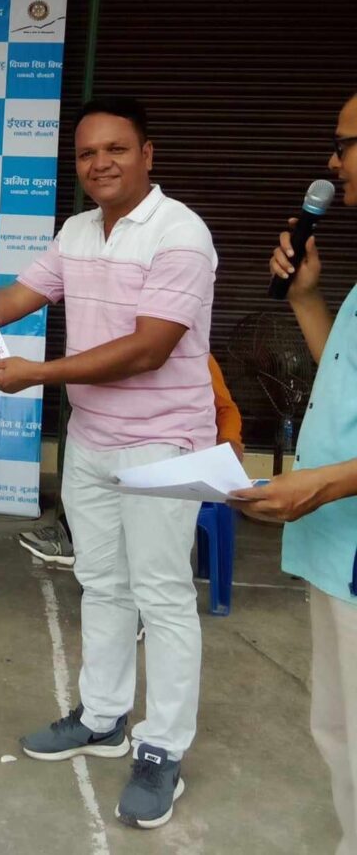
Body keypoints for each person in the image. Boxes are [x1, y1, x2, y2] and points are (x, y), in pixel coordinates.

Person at [0, 97, 217, 828]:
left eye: (116, 148)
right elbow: (15, 299)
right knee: (102, 584)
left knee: (162, 596)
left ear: (148, 153)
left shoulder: (180, 233)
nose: (100, 163)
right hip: (91, 439)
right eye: (87, 153)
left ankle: (163, 748)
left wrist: (37, 375)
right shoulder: (78, 231)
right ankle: (103, 718)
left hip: (164, 443)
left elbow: (149, 349)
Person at [233, 93, 357, 855]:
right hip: (335, 548)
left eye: (346, 144)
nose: (332, 163)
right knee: (337, 730)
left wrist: (326, 483)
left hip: (346, 532)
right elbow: (343, 377)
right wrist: (307, 299)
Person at [19, 352, 244, 567]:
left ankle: (73, 539)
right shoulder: (107, 348)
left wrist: (229, 442)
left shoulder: (191, 354)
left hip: (166, 463)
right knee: (101, 565)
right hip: (103, 455)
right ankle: (71, 536)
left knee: (152, 569)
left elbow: (226, 409)